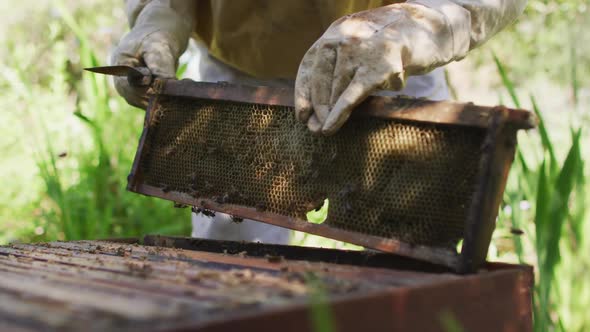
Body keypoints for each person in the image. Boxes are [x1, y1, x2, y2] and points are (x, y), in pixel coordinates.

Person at [112, 0, 527, 245]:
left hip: (386, 57)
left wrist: (419, 28)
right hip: (243, 66)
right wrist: (158, 20)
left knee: (416, 248)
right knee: (231, 259)